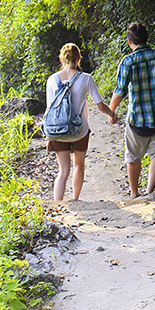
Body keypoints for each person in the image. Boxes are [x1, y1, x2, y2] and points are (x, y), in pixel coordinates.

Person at [109, 21, 155, 199]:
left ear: (129, 41)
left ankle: (134, 194)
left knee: (133, 157)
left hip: (138, 118)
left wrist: (111, 112)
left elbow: (120, 91)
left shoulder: (128, 61)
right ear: (147, 38)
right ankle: (150, 192)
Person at [45, 43, 116, 201]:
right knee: (79, 164)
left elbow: (50, 107)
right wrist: (112, 114)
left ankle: (58, 204)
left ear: (61, 59)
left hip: (57, 131)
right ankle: (75, 199)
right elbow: (100, 105)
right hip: (79, 131)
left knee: (62, 171)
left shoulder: (51, 80)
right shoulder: (86, 79)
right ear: (78, 59)